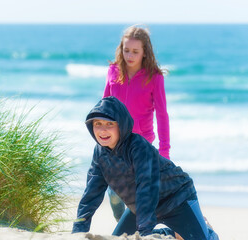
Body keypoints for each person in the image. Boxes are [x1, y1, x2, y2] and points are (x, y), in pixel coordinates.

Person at [72, 96, 219, 240]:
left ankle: (208, 230)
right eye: (98, 124)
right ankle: (171, 233)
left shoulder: (138, 146)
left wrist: (144, 232)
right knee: (119, 239)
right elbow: (91, 194)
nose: (103, 130)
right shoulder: (99, 153)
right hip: (139, 207)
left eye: (109, 124)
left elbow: (147, 189)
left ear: (121, 125)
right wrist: (78, 230)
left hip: (176, 199)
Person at [103, 25, 170, 222]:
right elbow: (105, 106)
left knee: (135, 193)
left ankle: (135, 230)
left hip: (141, 143)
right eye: (126, 50)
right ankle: (124, 228)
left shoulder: (154, 77)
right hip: (115, 143)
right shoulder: (113, 71)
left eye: (135, 51)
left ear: (144, 52)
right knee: (114, 195)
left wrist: (164, 150)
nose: (129, 55)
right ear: (121, 48)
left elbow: (162, 115)